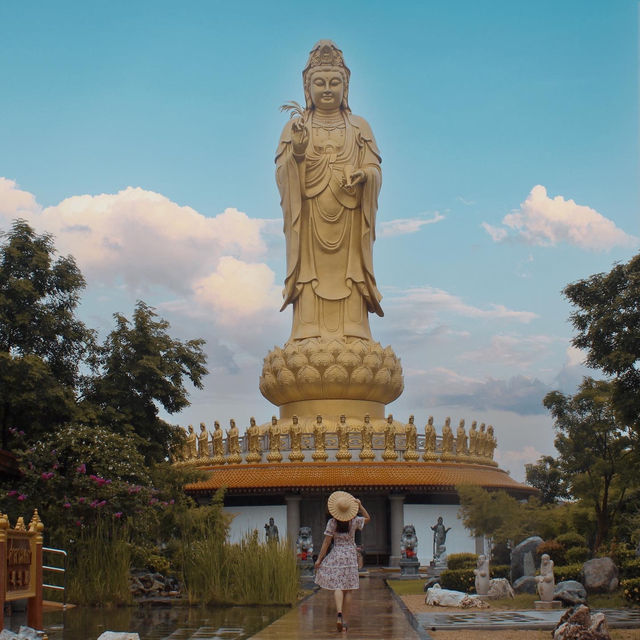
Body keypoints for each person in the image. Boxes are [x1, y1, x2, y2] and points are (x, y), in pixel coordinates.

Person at [276, 40, 383, 342]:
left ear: (345, 88)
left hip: (350, 219)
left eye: (334, 82)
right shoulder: (295, 128)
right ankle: (307, 332)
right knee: (310, 274)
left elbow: (374, 168)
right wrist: (297, 152)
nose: (327, 89)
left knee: (352, 273)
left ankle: (355, 331)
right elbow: (283, 173)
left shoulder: (360, 127)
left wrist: (365, 174)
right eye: (319, 83)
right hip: (309, 221)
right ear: (307, 89)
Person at [314, 491, 370, 633]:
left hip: (337, 554)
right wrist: (360, 505)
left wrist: (319, 560)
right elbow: (368, 518)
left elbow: (326, 543)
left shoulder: (332, 523)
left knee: (338, 586)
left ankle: (338, 613)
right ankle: (344, 621)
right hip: (350, 556)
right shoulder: (354, 521)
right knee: (349, 589)